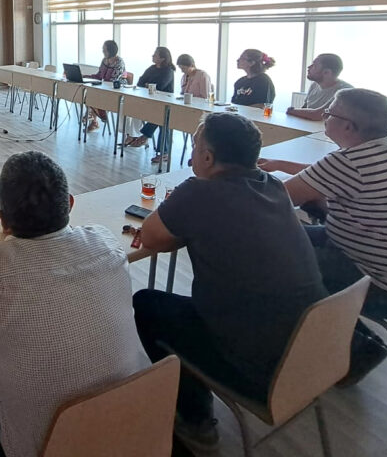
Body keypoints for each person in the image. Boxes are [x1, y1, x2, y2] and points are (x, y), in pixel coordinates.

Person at [133, 113, 327, 451]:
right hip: (312, 350)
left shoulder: (200, 192)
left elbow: (151, 236)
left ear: (208, 157)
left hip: (258, 365)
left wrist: (180, 208)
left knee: (146, 305)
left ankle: (196, 420)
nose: (192, 154)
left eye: (195, 147)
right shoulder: (275, 186)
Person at [0, 151, 149, 457]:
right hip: (132, 432)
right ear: (71, 204)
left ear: (3, 221)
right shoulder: (106, 243)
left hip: (46, 449)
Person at [258, 88, 387, 384]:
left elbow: (274, 201)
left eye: (329, 113)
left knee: (268, 262)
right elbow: (325, 176)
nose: (324, 117)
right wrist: (281, 165)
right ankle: (333, 337)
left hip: (386, 287)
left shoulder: (350, 163)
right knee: (284, 240)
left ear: (348, 126)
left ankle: (356, 350)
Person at [125, 47, 175, 155]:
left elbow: (160, 86)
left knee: (161, 118)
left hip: (164, 103)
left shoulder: (168, 71)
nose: (152, 56)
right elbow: (140, 81)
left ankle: (149, 140)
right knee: (134, 108)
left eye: (155, 55)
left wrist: (148, 84)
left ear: (162, 58)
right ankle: (136, 135)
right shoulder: (152, 68)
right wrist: (149, 85)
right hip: (150, 100)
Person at [286, 53, 352, 120]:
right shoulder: (314, 85)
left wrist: (292, 110)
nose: (309, 67)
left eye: (314, 65)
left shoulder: (345, 92)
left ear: (327, 72)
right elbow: (304, 108)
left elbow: (318, 115)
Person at [84, 40, 125, 132]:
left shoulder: (119, 62)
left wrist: (100, 84)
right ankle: (94, 120)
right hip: (104, 88)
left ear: (111, 51)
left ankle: (95, 115)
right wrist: (84, 76)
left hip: (116, 90)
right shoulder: (104, 61)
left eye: (105, 50)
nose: (103, 51)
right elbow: (99, 76)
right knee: (90, 94)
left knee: (94, 95)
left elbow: (113, 80)